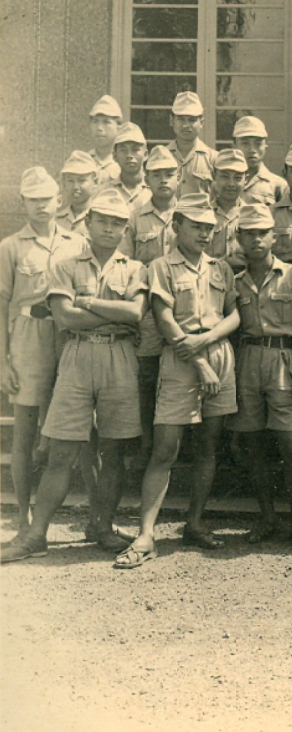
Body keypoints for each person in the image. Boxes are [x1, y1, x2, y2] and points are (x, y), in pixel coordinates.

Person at [2, 191, 145, 562]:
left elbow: (136, 314)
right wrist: (113, 313)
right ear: (88, 223)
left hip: (119, 358)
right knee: (62, 451)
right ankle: (36, 535)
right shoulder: (65, 264)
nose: (109, 229)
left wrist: (90, 303)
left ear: (125, 228)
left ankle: (102, 526)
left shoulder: (134, 268)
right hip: (77, 355)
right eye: (102, 221)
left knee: (113, 450)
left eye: (117, 223)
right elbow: (64, 318)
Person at [114, 193, 242, 568]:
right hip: (181, 358)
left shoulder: (221, 268)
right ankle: (146, 535)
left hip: (217, 352)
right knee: (165, 449)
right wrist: (200, 359)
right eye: (196, 226)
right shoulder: (161, 267)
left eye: (209, 228)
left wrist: (208, 342)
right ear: (177, 226)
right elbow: (165, 320)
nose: (204, 233)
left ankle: (195, 522)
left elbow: (234, 315)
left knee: (208, 447)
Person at [0, 168, 86, 545]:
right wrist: (3, 359)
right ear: (22, 203)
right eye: (32, 200)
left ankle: (69, 518)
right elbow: (1, 305)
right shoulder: (10, 247)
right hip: (27, 339)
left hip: (68, 337)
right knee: (24, 433)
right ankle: (24, 516)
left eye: (46, 199)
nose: (40, 206)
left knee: (64, 428)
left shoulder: (77, 242)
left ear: (58, 201)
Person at [230, 204, 292, 550]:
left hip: (284, 358)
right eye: (249, 233)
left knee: (290, 444)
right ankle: (267, 517)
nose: (256, 239)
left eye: (262, 233)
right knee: (253, 444)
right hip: (248, 359)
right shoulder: (234, 280)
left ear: (274, 236)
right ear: (239, 238)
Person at [119, 146, 180, 473]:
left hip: (183, 308)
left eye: (169, 173)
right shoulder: (135, 215)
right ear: (147, 177)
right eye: (156, 174)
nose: (163, 180)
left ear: (178, 176)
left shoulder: (189, 213)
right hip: (148, 310)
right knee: (146, 376)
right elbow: (127, 264)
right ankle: (146, 445)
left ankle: (179, 446)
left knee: (180, 374)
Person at [167, 91, 217, 198]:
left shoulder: (213, 159)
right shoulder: (163, 156)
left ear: (201, 123)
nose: (186, 125)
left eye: (192, 120)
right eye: (180, 119)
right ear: (171, 121)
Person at [233, 116, 288, 207]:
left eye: (258, 144)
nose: (252, 149)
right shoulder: (223, 182)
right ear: (234, 145)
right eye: (245, 143)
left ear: (265, 146)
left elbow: (283, 218)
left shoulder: (278, 185)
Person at [207, 149, 248, 272]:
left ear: (245, 179)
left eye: (237, 178)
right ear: (214, 176)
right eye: (225, 177)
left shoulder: (252, 216)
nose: (231, 184)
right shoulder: (203, 215)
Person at [108, 123, 152, 213]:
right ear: (114, 156)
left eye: (135, 150)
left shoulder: (154, 189)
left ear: (145, 155)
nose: (129, 155)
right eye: (123, 150)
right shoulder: (106, 191)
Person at [55, 151, 100, 239]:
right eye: (70, 181)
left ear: (95, 182)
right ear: (64, 183)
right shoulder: (56, 220)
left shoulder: (101, 219)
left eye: (81, 180)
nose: (75, 187)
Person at [87, 95, 123, 191]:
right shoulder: (84, 161)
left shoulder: (124, 162)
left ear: (118, 127)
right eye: (95, 122)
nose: (99, 128)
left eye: (106, 122)